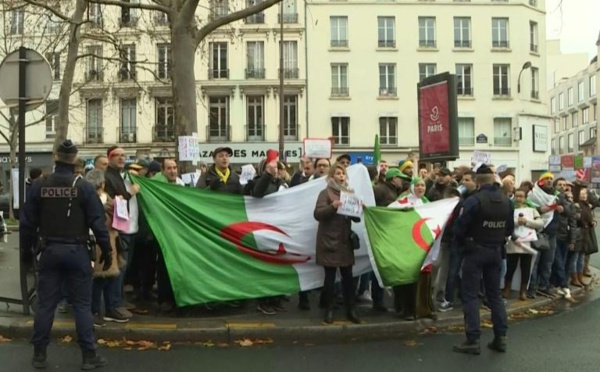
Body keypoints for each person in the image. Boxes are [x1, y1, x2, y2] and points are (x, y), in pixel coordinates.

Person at [20, 140, 111, 369]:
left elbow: (27, 223)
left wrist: (26, 252)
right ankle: (89, 356)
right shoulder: (84, 187)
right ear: (75, 159)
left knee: (46, 305)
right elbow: (98, 223)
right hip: (77, 251)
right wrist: (106, 250)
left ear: (55, 156)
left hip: (49, 251)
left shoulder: (40, 185)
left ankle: (39, 354)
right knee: (81, 305)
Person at [453, 164, 513, 355]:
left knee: (470, 296)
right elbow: (509, 230)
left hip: (475, 252)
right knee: (494, 296)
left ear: (478, 181)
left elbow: (459, 228)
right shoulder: (506, 201)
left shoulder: (473, 201)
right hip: (496, 252)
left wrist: (462, 244)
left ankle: (473, 339)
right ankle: (500, 338)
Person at [314, 164, 361, 324]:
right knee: (330, 278)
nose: (341, 176)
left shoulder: (349, 193)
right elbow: (318, 214)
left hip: (344, 242)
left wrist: (358, 208)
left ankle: (351, 309)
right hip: (329, 241)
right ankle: (329, 310)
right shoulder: (325, 193)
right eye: (338, 173)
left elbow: (355, 218)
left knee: (348, 278)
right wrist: (332, 207)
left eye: (343, 174)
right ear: (331, 177)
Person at [504, 188, 543, 301]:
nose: (519, 198)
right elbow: (506, 223)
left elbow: (540, 223)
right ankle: (507, 288)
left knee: (525, 268)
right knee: (510, 267)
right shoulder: (509, 209)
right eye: (517, 196)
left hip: (527, 243)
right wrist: (516, 223)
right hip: (513, 241)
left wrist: (527, 221)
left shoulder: (532, 209)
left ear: (525, 198)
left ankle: (523, 291)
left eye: (521, 196)